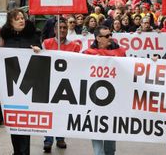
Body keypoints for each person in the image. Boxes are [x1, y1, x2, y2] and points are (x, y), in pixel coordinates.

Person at [0, 8, 42, 155]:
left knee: (24, 127)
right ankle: (17, 151)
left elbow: (43, 61)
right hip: (11, 91)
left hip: (27, 89)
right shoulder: (6, 39)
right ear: (11, 23)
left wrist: (39, 51)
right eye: (17, 18)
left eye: (22, 18)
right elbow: (0, 65)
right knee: (14, 126)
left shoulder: (32, 36)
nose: (21, 20)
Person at [83, 26, 126, 155]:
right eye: (107, 36)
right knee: (97, 147)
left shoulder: (120, 52)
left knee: (110, 147)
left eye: (110, 35)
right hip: (94, 103)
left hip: (113, 103)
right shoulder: (87, 54)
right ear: (98, 38)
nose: (110, 38)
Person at [42, 18, 81, 152]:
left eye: (64, 27)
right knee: (49, 112)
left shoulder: (75, 46)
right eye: (60, 27)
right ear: (54, 30)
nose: (62, 30)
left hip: (66, 85)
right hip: (50, 84)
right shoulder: (46, 44)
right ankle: (48, 140)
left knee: (62, 112)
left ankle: (60, 138)